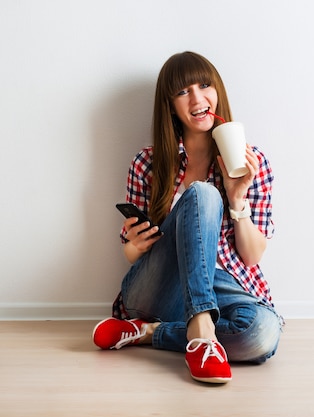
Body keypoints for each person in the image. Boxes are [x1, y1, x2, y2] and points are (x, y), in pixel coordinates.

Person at [92, 51, 281, 384]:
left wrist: (237, 198)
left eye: (204, 86)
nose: (197, 98)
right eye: (183, 91)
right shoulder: (147, 163)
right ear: (171, 104)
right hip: (159, 286)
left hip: (221, 283)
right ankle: (202, 334)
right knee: (203, 194)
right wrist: (136, 243)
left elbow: (251, 257)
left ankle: (151, 333)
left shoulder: (253, 163)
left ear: (217, 92)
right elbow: (130, 254)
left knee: (261, 334)